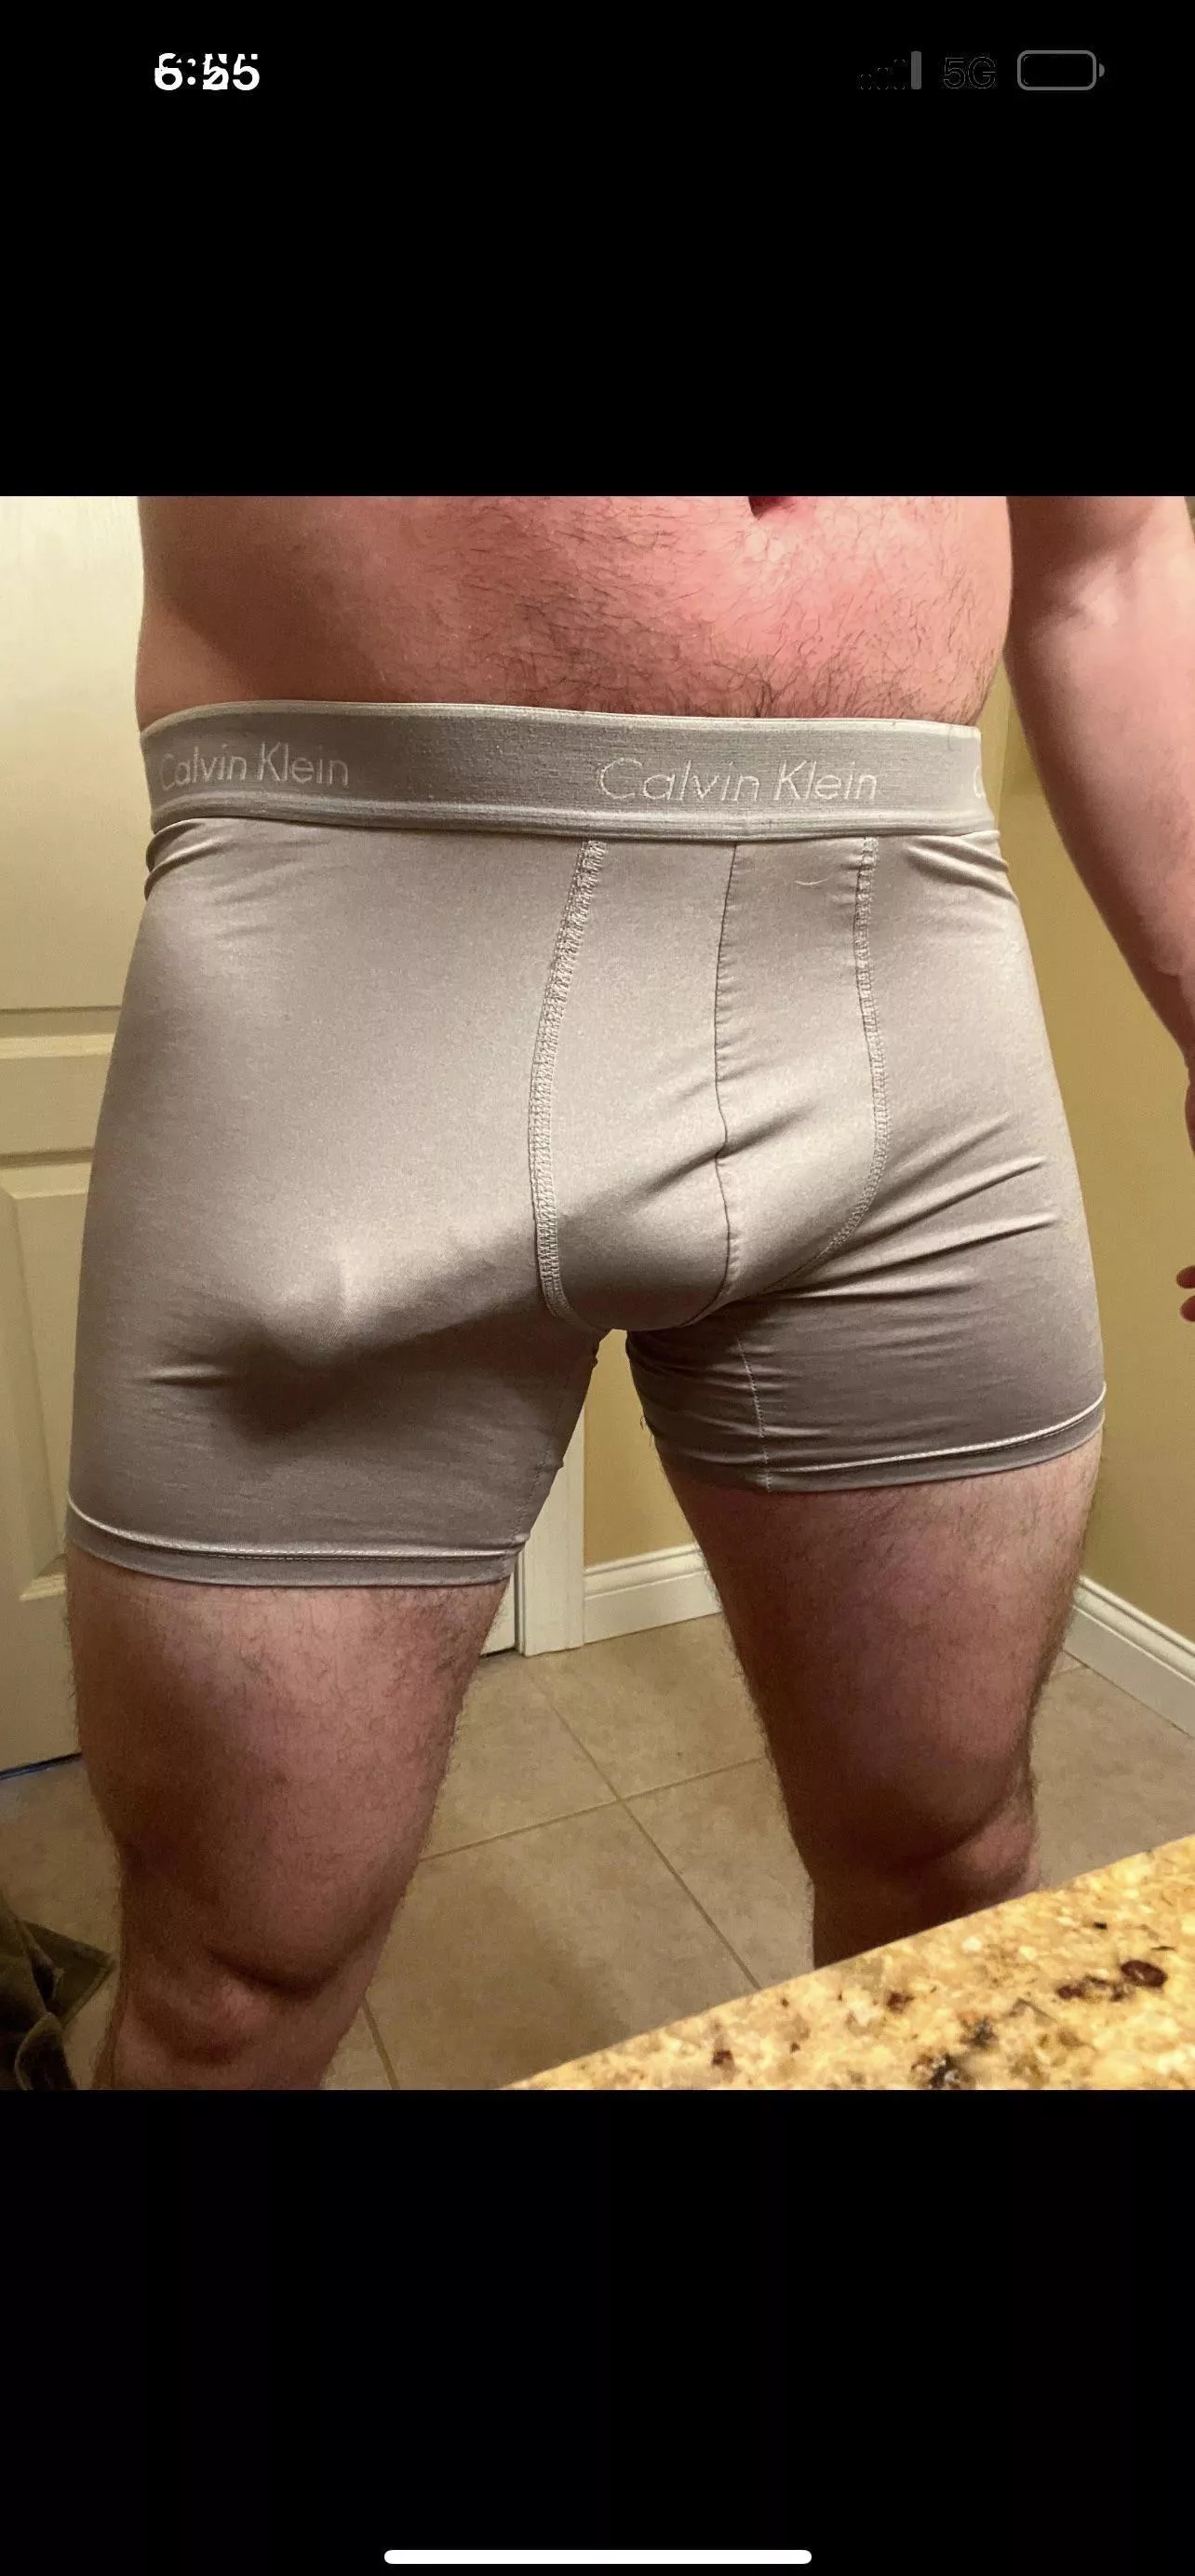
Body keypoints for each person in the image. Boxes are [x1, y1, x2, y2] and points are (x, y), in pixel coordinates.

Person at [63, 494, 1195, 2090]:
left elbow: (1113, 563)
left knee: (955, 1865)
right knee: (228, 1999)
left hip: (904, 982)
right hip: (354, 961)